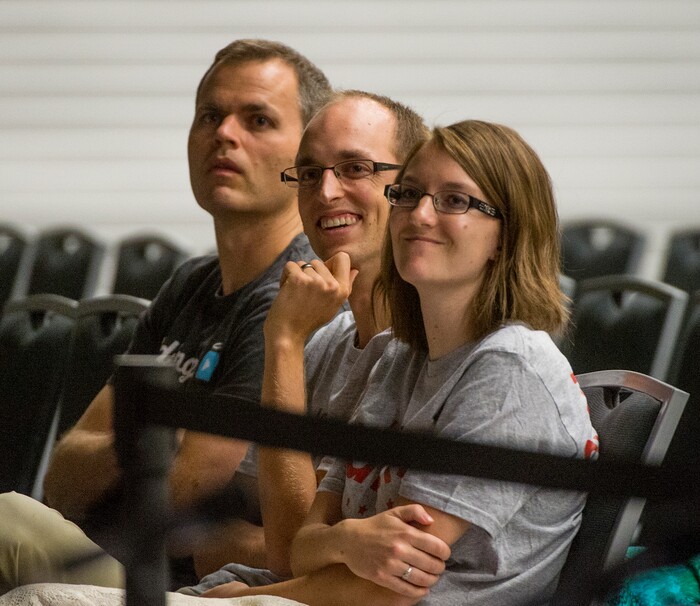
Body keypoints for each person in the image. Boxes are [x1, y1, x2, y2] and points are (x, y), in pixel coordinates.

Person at [188, 119, 600, 605]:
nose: (418, 215)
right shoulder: (395, 355)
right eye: (407, 194)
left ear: (505, 239)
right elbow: (302, 547)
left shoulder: (510, 369)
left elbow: (388, 591)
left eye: (454, 200)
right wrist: (342, 541)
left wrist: (246, 599)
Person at [0, 38, 332, 594]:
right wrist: (162, 438)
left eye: (258, 120)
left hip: (179, 584)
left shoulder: (293, 290)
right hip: (113, 559)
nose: (225, 134)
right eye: (210, 115)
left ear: (307, 160)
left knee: (5, 521)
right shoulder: (191, 282)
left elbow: (186, 487)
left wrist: (142, 440)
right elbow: (62, 474)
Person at [180, 90, 437, 593]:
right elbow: (217, 543)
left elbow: (287, 550)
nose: (325, 193)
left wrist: (282, 342)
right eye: (310, 173)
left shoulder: (442, 356)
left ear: (410, 189)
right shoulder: (325, 345)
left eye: (355, 168)